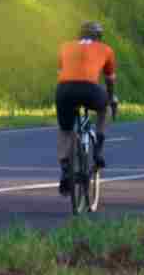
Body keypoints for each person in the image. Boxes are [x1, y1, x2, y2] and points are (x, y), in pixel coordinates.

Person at [56, 21, 117, 194]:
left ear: (79, 35)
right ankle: (98, 152)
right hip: (90, 89)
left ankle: (65, 169)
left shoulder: (65, 47)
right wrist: (111, 99)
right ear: (99, 37)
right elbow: (110, 80)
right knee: (106, 109)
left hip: (65, 89)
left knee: (65, 130)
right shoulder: (106, 49)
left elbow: (62, 73)